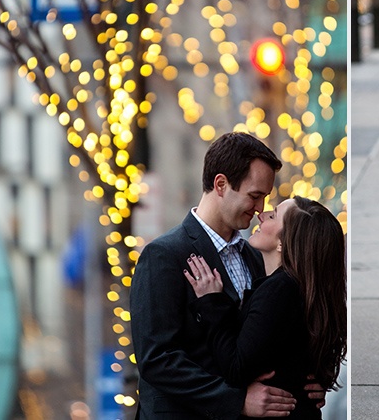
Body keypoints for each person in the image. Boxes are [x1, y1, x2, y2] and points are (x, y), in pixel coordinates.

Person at [131, 132, 325, 418]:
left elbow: (263, 342)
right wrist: (235, 401)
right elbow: (158, 359)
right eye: (255, 196)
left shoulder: (257, 257)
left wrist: (305, 381)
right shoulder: (164, 255)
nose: (260, 209)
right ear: (221, 184)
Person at [183, 196, 347, 419]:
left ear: (284, 241)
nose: (261, 214)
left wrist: (212, 302)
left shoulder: (280, 290)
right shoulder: (299, 288)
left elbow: (235, 367)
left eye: (273, 215)